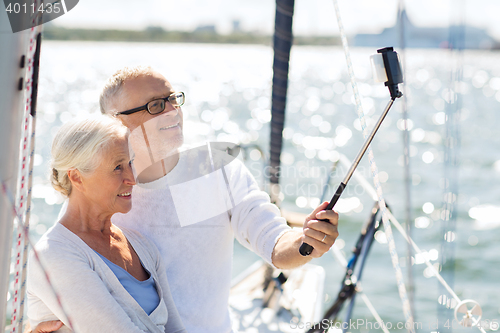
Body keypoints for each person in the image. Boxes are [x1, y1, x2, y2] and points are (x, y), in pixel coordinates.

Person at [33, 66, 339, 333]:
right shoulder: (101, 187)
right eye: (155, 105)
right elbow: (61, 273)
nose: (172, 111)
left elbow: (274, 243)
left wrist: (307, 240)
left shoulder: (213, 169)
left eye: (173, 99)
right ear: (115, 122)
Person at [27, 116, 186, 333]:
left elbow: (176, 329)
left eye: (130, 163)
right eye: (117, 167)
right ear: (77, 177)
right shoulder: (53, 256)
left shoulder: (142, 247)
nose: (133, 178)